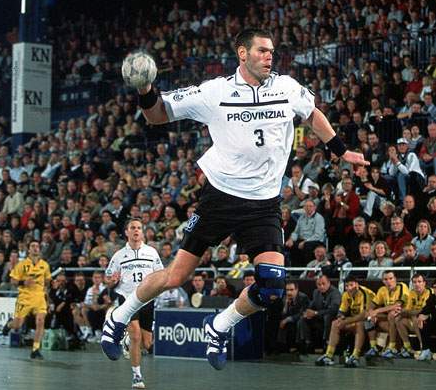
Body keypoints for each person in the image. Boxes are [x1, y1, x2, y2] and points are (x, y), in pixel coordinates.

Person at [101, 27, 367, 370]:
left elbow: (312, 113)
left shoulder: (287, 87)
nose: (269, 56)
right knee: (176, 276)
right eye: (261, 51)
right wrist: (145, 89)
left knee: (272, 288)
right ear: (243, 53)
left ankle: (219, 325)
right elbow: (157, 115)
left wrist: (341, 150)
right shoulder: (216, 92)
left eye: (271, 51)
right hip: (221, 197)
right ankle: (119, 316)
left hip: (264, 204)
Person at [104, 218, 163, 388]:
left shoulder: (151, 252)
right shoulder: (119, 255)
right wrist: (112, 281)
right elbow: (108, 279)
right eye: (132, 228)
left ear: (142, 232)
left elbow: (160, 274)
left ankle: (127, 341)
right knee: (136, 334)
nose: (136, 230)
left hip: (147, 299)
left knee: (146, 343)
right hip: (128, 298)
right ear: (126, 232)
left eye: (139, 228)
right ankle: (137, 376)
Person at [2, 240, 51, 359]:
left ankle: (35, 349)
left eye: (37, 246)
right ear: (28, 249)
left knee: (40, 321)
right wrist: (23, 282)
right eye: (33, 246)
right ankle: (9, 324)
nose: (35, 248)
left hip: (39, 297)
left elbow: (47, 281)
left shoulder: (45, 265)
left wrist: (47, 293)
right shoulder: (22, 264)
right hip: (25, 297)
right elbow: (13, 281)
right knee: (18, 325)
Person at [316, 276, 375, 367]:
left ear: (357, 285)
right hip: (354, 319)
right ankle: (329, 355)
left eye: (351, 285)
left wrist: (346, 321)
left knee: (359, 324)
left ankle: (355, 356)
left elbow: (364, 315)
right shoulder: (345, 295)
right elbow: (341, 311)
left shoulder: (364, 293)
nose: (349, 288)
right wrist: (340, 317)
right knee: (335, 323)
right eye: (347, 286)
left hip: (371, 320)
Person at [365, 270, 410, 358]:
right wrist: (371, 312)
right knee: (367, 316)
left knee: (392, 314)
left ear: (395, 279)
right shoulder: (382, 290)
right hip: (390, 318)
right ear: (383, 281)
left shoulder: (402, 286)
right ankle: (373, 347)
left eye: (391, 278)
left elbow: (397, 305)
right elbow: (373, 304)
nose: (388, 281)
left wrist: (377, 311)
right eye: (386, 279)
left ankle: (392, 347)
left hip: (404, 316)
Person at [296, 274, 341, 353]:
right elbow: (312, 305)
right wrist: (307, 312)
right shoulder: (316, 292)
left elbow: (333, 310)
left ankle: (326, 344)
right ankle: (307, 344)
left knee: (327, 316)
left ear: (329, 283)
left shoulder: (335, 293)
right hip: (319, 318)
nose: (321, 286)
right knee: (303, 319)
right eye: (319, 284)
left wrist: (316, 313)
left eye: (323, 284)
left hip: (331, 319)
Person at [396, 273, 433, 358]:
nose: (417, 284)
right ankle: (407, 347)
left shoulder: (429, 292)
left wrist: (409, 312)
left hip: (429, 320)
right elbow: (408, 309)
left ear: (424, 283)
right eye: (414, 282)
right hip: (416, 320)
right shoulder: (412, 293)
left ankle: (423, 347)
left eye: (419, 282)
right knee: (399, 319)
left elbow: (423, 310)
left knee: (416, 317)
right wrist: (402, 312)